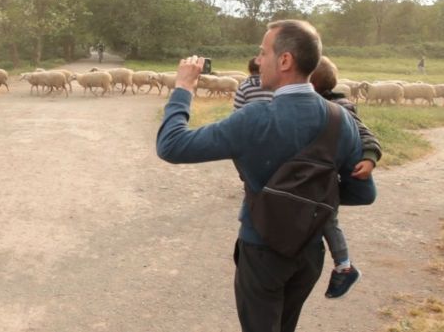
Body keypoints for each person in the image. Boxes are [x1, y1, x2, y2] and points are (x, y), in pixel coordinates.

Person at [156, 20, 376, 332]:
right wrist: (309, 199)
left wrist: (183, 89)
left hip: (262, 251)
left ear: (285, 60)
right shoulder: (342, 119)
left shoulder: (255, 118)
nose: (258, 61)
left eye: (263, 52)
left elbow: (171, 146)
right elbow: (365, 194)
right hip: (310, 254)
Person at [310, 56, 382, 298]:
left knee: (327, 216)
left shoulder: (341, 108)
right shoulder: (310, 104)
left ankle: (344, 266)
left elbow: (364, 133)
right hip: (319, 176)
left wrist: (370, 156)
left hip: (330, 176)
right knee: (322, 213)